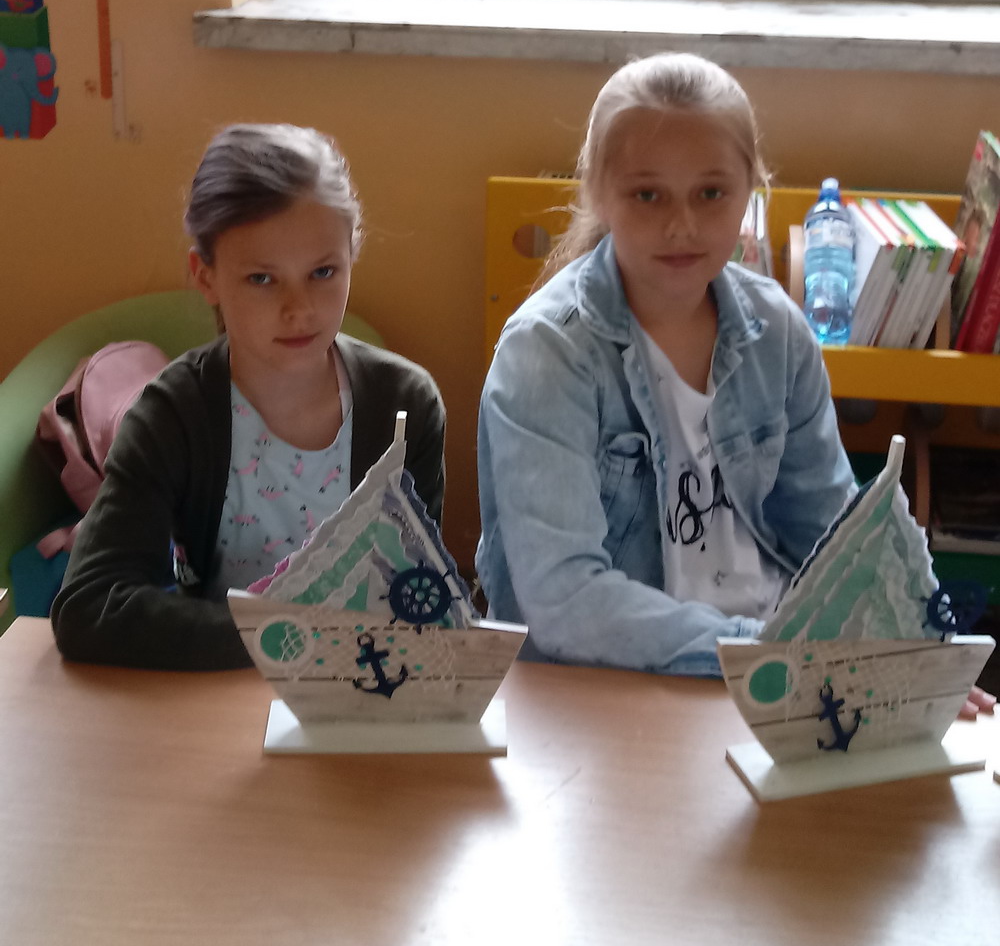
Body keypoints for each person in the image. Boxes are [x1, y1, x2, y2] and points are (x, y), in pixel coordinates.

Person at [477, 52, 997, 711]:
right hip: (617, 682)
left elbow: (835, 529)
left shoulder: (777, 329)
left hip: (781, 670)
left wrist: (915, 646)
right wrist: (775, 652)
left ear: (751, 188)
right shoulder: (547, 352)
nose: (682, 225)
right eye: (648, 194)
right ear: (599, 192)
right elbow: (566, 602)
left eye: (711, 193)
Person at [51, 124, 445, 671]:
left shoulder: (406, 406)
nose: (298, 308)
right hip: (219, 687)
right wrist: (291, 635)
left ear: (351, 256)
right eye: (262, 278)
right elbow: (90, 606)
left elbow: (417, 597)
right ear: (206, 277)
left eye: (323, 272)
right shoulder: (172, 416)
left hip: (360, 690)